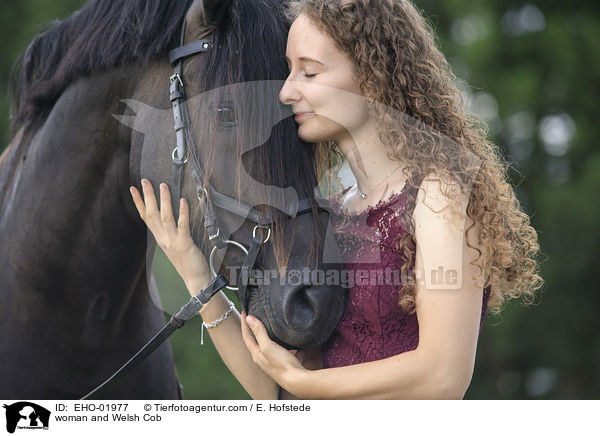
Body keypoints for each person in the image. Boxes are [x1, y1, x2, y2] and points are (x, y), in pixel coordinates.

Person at [129, 0, 543, 399]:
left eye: (308, 73)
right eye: (288, 72)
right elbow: (279, 394)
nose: (286, 92)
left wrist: (308, 386)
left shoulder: (438, 195)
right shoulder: (333, 210)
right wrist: (197, 276)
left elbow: (443, 376)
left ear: (372, 73)